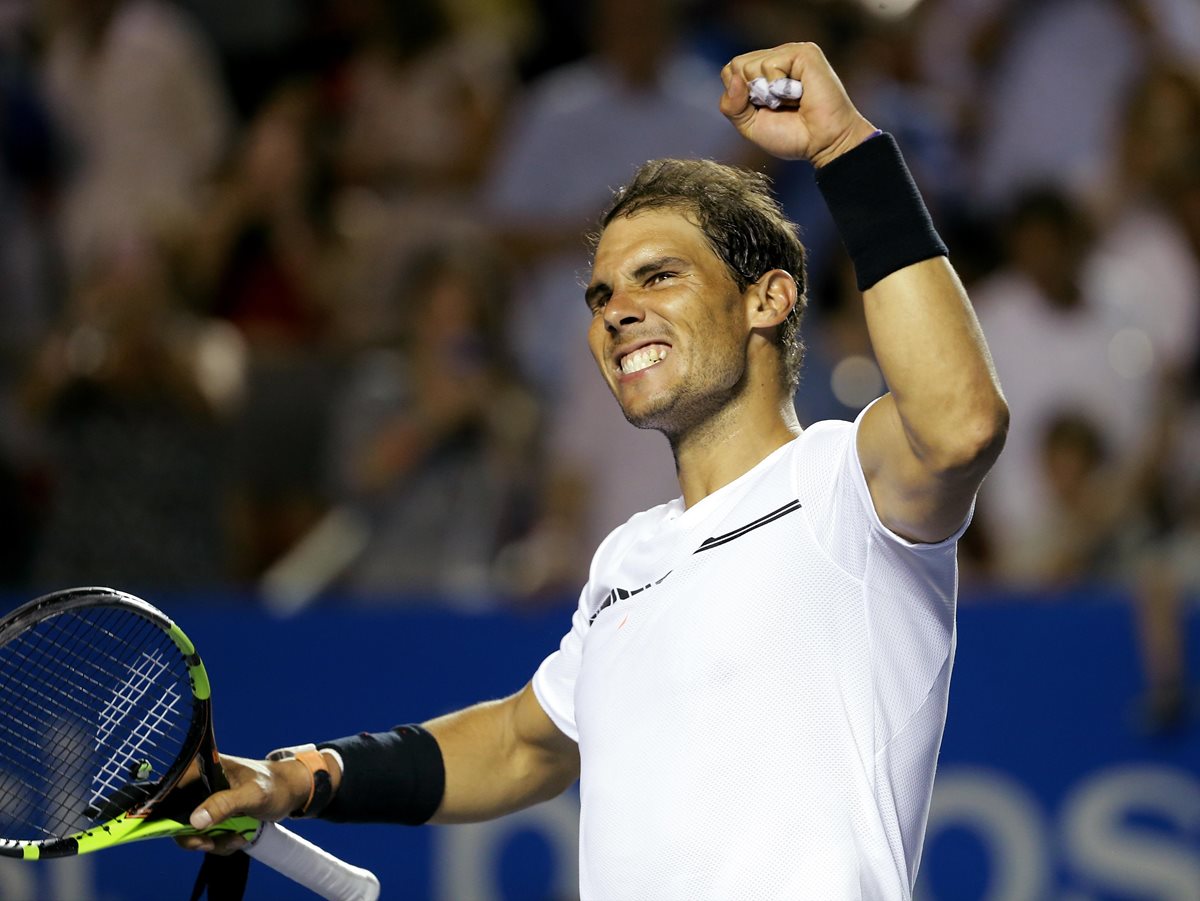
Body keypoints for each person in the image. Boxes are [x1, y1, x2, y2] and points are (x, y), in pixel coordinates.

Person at [179, 42, 1008, 898]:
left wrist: (844, 149)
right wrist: (300, 777)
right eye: (600, 295)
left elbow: (960, 424)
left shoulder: (844, 483)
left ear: (769, 298)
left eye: (659, 276)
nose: (617, 313)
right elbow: (517, 742)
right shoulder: (628, 559)